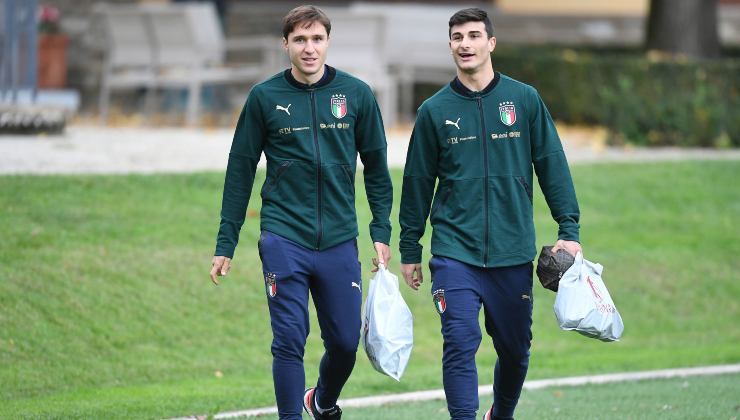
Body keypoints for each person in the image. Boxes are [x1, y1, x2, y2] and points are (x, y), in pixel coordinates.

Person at [209, 5, 393, 419]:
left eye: (317, 39)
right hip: (283, 237)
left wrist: (380, 230)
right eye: (300, 40)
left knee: (346, 342)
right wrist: (226, 242)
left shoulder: (357, 95)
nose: (309, 48)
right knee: (289, 340)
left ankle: (321, 400)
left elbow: (378, 171)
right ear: (286, 44)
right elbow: (239, 172)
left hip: (339, 239)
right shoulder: (264, 98)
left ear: (327, 42)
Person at [399, 8, 582, 420]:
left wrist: (568, 227)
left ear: (491, 43)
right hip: (454, 253)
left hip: (511, 252)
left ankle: (500, 414)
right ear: (450, 45)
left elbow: (552, 164)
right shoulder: (434, 110)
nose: (465, 44)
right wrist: (410, 246)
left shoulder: (523, 100)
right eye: (457, 37)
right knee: (460, 342)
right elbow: (416, 183)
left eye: (474, 35)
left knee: (516, 351)